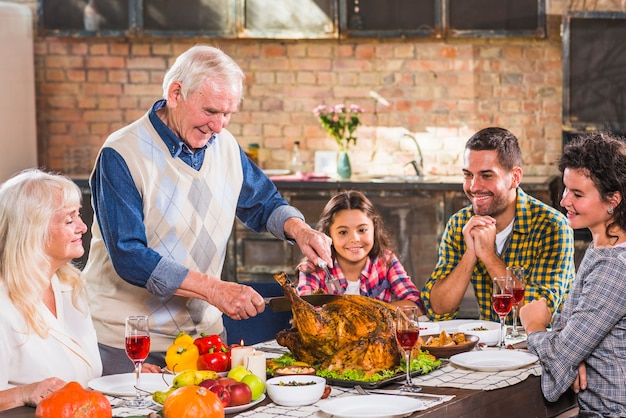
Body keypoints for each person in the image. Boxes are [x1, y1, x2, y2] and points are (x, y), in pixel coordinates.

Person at [83, 44, 332, 375]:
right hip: (131, 344)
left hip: (206, 341)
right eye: (211, 111)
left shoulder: (224, 146)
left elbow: (264, 202)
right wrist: (216, 290)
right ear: (176, 93)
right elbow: (130, 256)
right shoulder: (121, 153)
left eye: (228, 114)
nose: (219, 126)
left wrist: (301, 231)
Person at [520, 132, 626, 416]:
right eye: (566, 189)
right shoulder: (601, 247)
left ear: (612, 200)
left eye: (577, 194)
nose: (564, 200)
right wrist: (572, 353)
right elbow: (566, 334)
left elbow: (559, 351)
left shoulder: (616, 266)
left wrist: (534, 327)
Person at [421, 127, 575, 322]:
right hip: (490, 345)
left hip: (542, 346)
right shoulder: (460, 223)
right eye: (468, 175)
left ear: (515, 177)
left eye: (487, 176)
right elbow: (438, 309)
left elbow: (538, 315)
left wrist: (488, 255)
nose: (474, 187)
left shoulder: (552, 226)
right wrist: (470, 254)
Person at [0, 169, 102, 411]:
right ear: (33, 231)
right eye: (70, 219)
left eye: (79, 214)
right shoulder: (3, 304)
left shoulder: (70, 287)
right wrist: (24, 392)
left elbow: (79, 370)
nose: (83, 227)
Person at [298, 190, 425, 312]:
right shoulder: (313, 268)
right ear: (328, 234)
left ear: (374, 229)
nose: (354, 239)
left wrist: (368, 312)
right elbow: (306, 313)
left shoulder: (385, 260)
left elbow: (415, 305)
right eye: (343, 232)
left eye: (362, 230)